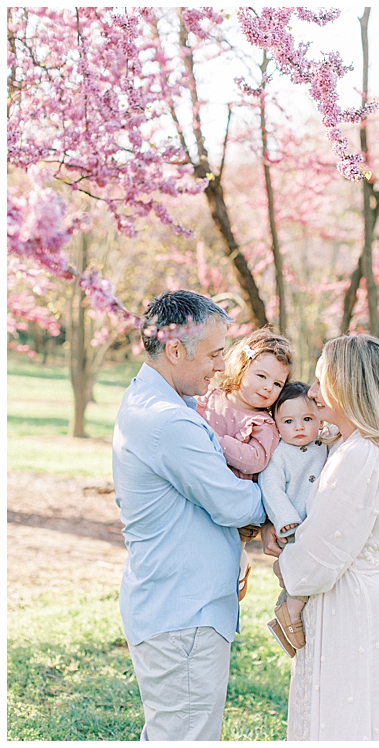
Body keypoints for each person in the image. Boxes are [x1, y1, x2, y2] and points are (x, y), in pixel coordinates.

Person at [113, 290, 270, 740]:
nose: (222, 366)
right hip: (182, 614)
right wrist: (286, 502)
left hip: (177, 606)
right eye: (215, 354)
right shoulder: (168, 421)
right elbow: (232, 503)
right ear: (176, 349)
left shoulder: (161, 403)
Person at [272, 334, 379, 740]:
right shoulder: (350, 446)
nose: (311, 391)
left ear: (349, 386)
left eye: (323, 381)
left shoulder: (359, 457)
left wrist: (282, 564)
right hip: (363, 600)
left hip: (350, 608)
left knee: (344, 723)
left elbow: (316, 561)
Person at [196, 328, 293, 601]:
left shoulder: (264, 424)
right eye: (261, 376)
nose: (267, 387)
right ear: (239, 367)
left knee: (225, 548)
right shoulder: (209, 399)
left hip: (233, 505)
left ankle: (237, 565)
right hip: (199, 489)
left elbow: (254, 460)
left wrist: (216, 440)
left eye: (277, 384)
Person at [258, 381, 331, 656]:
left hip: (317, 524)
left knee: (303, 577)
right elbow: (271, 488)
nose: (299, 427)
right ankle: (292, 612)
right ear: (276, 424)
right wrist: (284, 519)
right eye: (289, 421)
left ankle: (285, 617)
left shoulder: (323, 444)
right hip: (293, 526)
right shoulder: (279, 455)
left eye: (307, 419)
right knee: (304, 575)